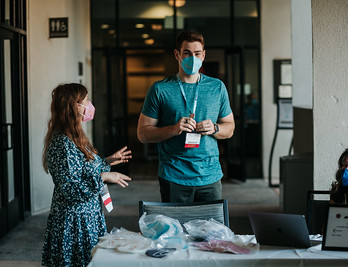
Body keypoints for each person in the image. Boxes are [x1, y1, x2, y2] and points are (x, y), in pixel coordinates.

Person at [137, 30, 235, 203]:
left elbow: (230, 128)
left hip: (210, 176)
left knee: (211, 229)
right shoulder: (160, 89)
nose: (193, 58)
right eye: (187, 53)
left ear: (203, 55)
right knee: (176, 230)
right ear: (177, 55)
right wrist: (173, 129)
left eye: (197, 53)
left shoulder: (217, 87)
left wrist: (215, 128)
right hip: (174, 176)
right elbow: (143, 134)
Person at [41, 83, 132, 266]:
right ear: (73, 106)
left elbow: (83, 170)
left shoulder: (74, 136)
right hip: (74, 223)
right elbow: (71, 190)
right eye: (86, 101)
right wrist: (105, 177)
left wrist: (107, 161)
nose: (90, 105)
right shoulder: (62, 144)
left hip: (86, 217)